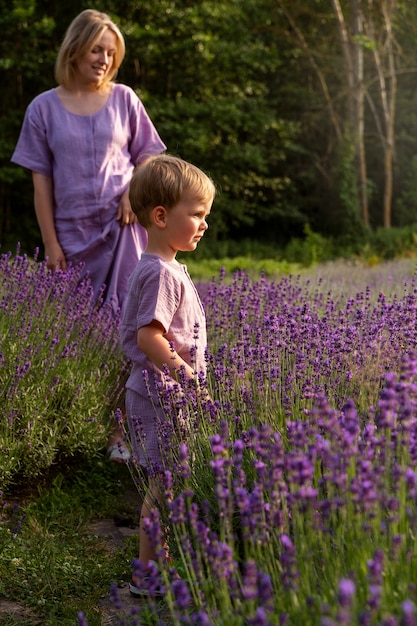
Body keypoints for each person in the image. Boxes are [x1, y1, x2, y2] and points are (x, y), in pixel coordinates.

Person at [11, 9, 166, 461]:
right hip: (71, 238)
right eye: (97, 49)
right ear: (74, 50)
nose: (104, 59)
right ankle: (81, 428)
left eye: (111, 52)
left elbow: (149, 160)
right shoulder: (42, 107)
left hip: (123, 232)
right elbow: (41, 185)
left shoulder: (124, 99)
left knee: (130, 327)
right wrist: (51, 244)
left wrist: (133, 198)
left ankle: (126, 432)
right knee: (77, 334)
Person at [120, 154, 216, 596]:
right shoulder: (161, 273)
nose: (203, 224)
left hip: (165, 394)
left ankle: (161, 562)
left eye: (205, 215)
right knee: (161, 484)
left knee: (170, 479)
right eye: (196, 214)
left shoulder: (167, 267)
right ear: (161, 216)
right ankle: (147, 573)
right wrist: (188, 378)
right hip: (161, 397)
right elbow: (148, 338)